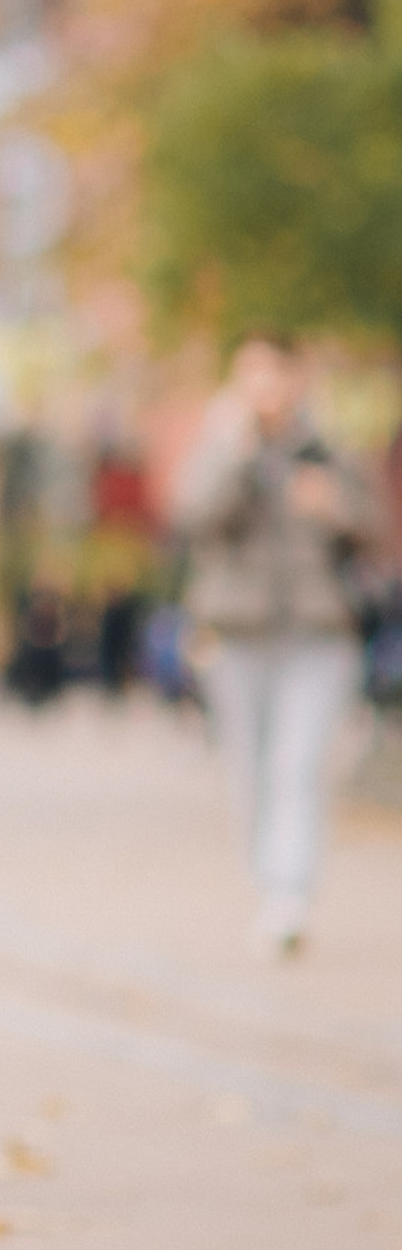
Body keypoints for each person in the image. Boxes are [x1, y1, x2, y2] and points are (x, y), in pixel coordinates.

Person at [173, 336, 383, 958]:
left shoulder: (330, 451)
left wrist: (334, 507)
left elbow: (374, 528)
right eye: (254, 376)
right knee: (250, 767)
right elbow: (191, 517)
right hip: (236, 634)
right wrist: (236, 455)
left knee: (299, 763)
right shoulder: (221, 451)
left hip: (320, 633)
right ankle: (268, 882)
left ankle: (290, 894)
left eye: (278, 374)